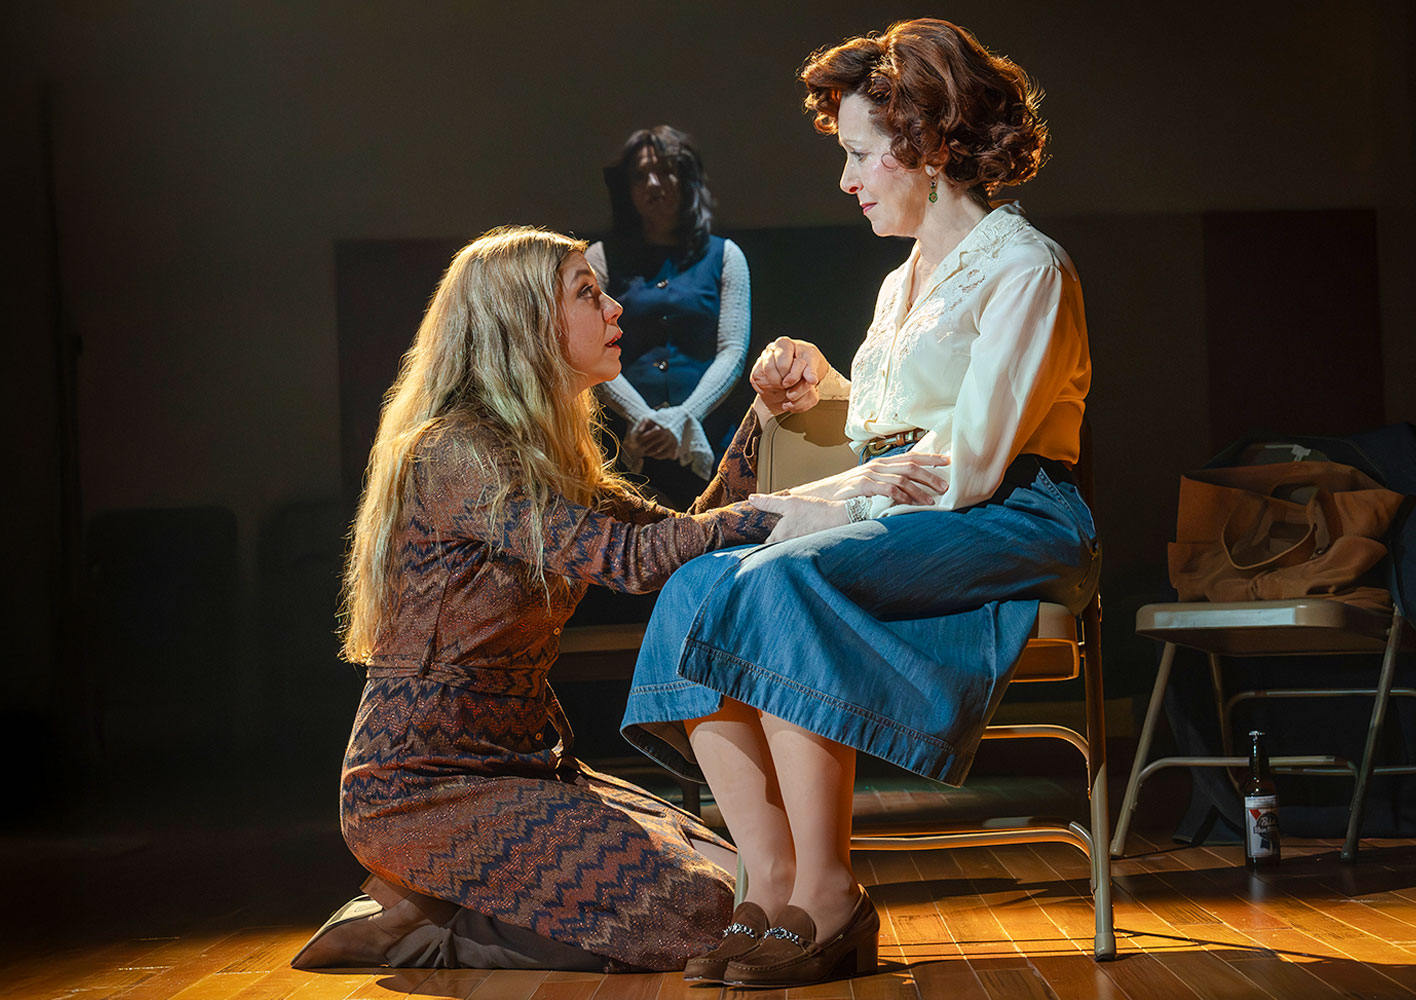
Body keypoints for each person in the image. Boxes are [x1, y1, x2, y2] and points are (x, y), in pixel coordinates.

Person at [290, 224, 949, 972]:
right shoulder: (456, 453)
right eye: (588, 294)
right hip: (423, 786)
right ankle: (422, 917)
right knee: (713, 918)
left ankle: (437, 889)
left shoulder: (541, 454)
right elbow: (633, 562)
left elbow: (681, 534)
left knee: (757, 884)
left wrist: (760, 422)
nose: (615, 310)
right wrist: (806, 505)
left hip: (530, 767)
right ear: (526, 323)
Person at [621, 18, 1097, 989]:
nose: (847, 179)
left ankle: (833, 893)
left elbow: (967, 463)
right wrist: (830, 417)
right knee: (697, 579)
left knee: (782, 576)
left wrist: (819, 509)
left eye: (859, 155)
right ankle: (773, 880)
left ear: (926, 145)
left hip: (1013, 516)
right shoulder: (896, 288)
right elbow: (891, 452)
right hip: (909, 516)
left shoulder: (1024, 268)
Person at [589, 126, 750, 507]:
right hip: (625, 441)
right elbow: (589, 347)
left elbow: (732, 350)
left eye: (665, 170)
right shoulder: (600, 258)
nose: (653, 184)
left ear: (687, 177)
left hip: (708, 437)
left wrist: (681, 419)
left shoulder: (726, 256)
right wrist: (642, 417)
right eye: (640, 176)